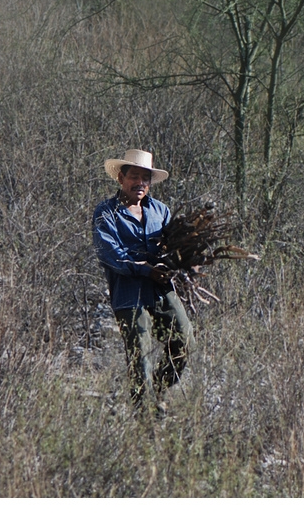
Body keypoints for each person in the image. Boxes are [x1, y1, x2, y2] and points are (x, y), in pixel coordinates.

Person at [92, 149, 194, 416]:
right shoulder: (106, 213)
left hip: (161, 290)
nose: (140, 183)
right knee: (140, 357)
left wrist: (183, 262)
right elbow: (109, 255)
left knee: (184, 341)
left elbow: (173, 247)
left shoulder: (160, 210)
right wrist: (144, 270)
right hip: (129, 295)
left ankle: (158, 390)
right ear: (121, 179)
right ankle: (145, 417)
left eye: (145, 178)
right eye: (134, 177)